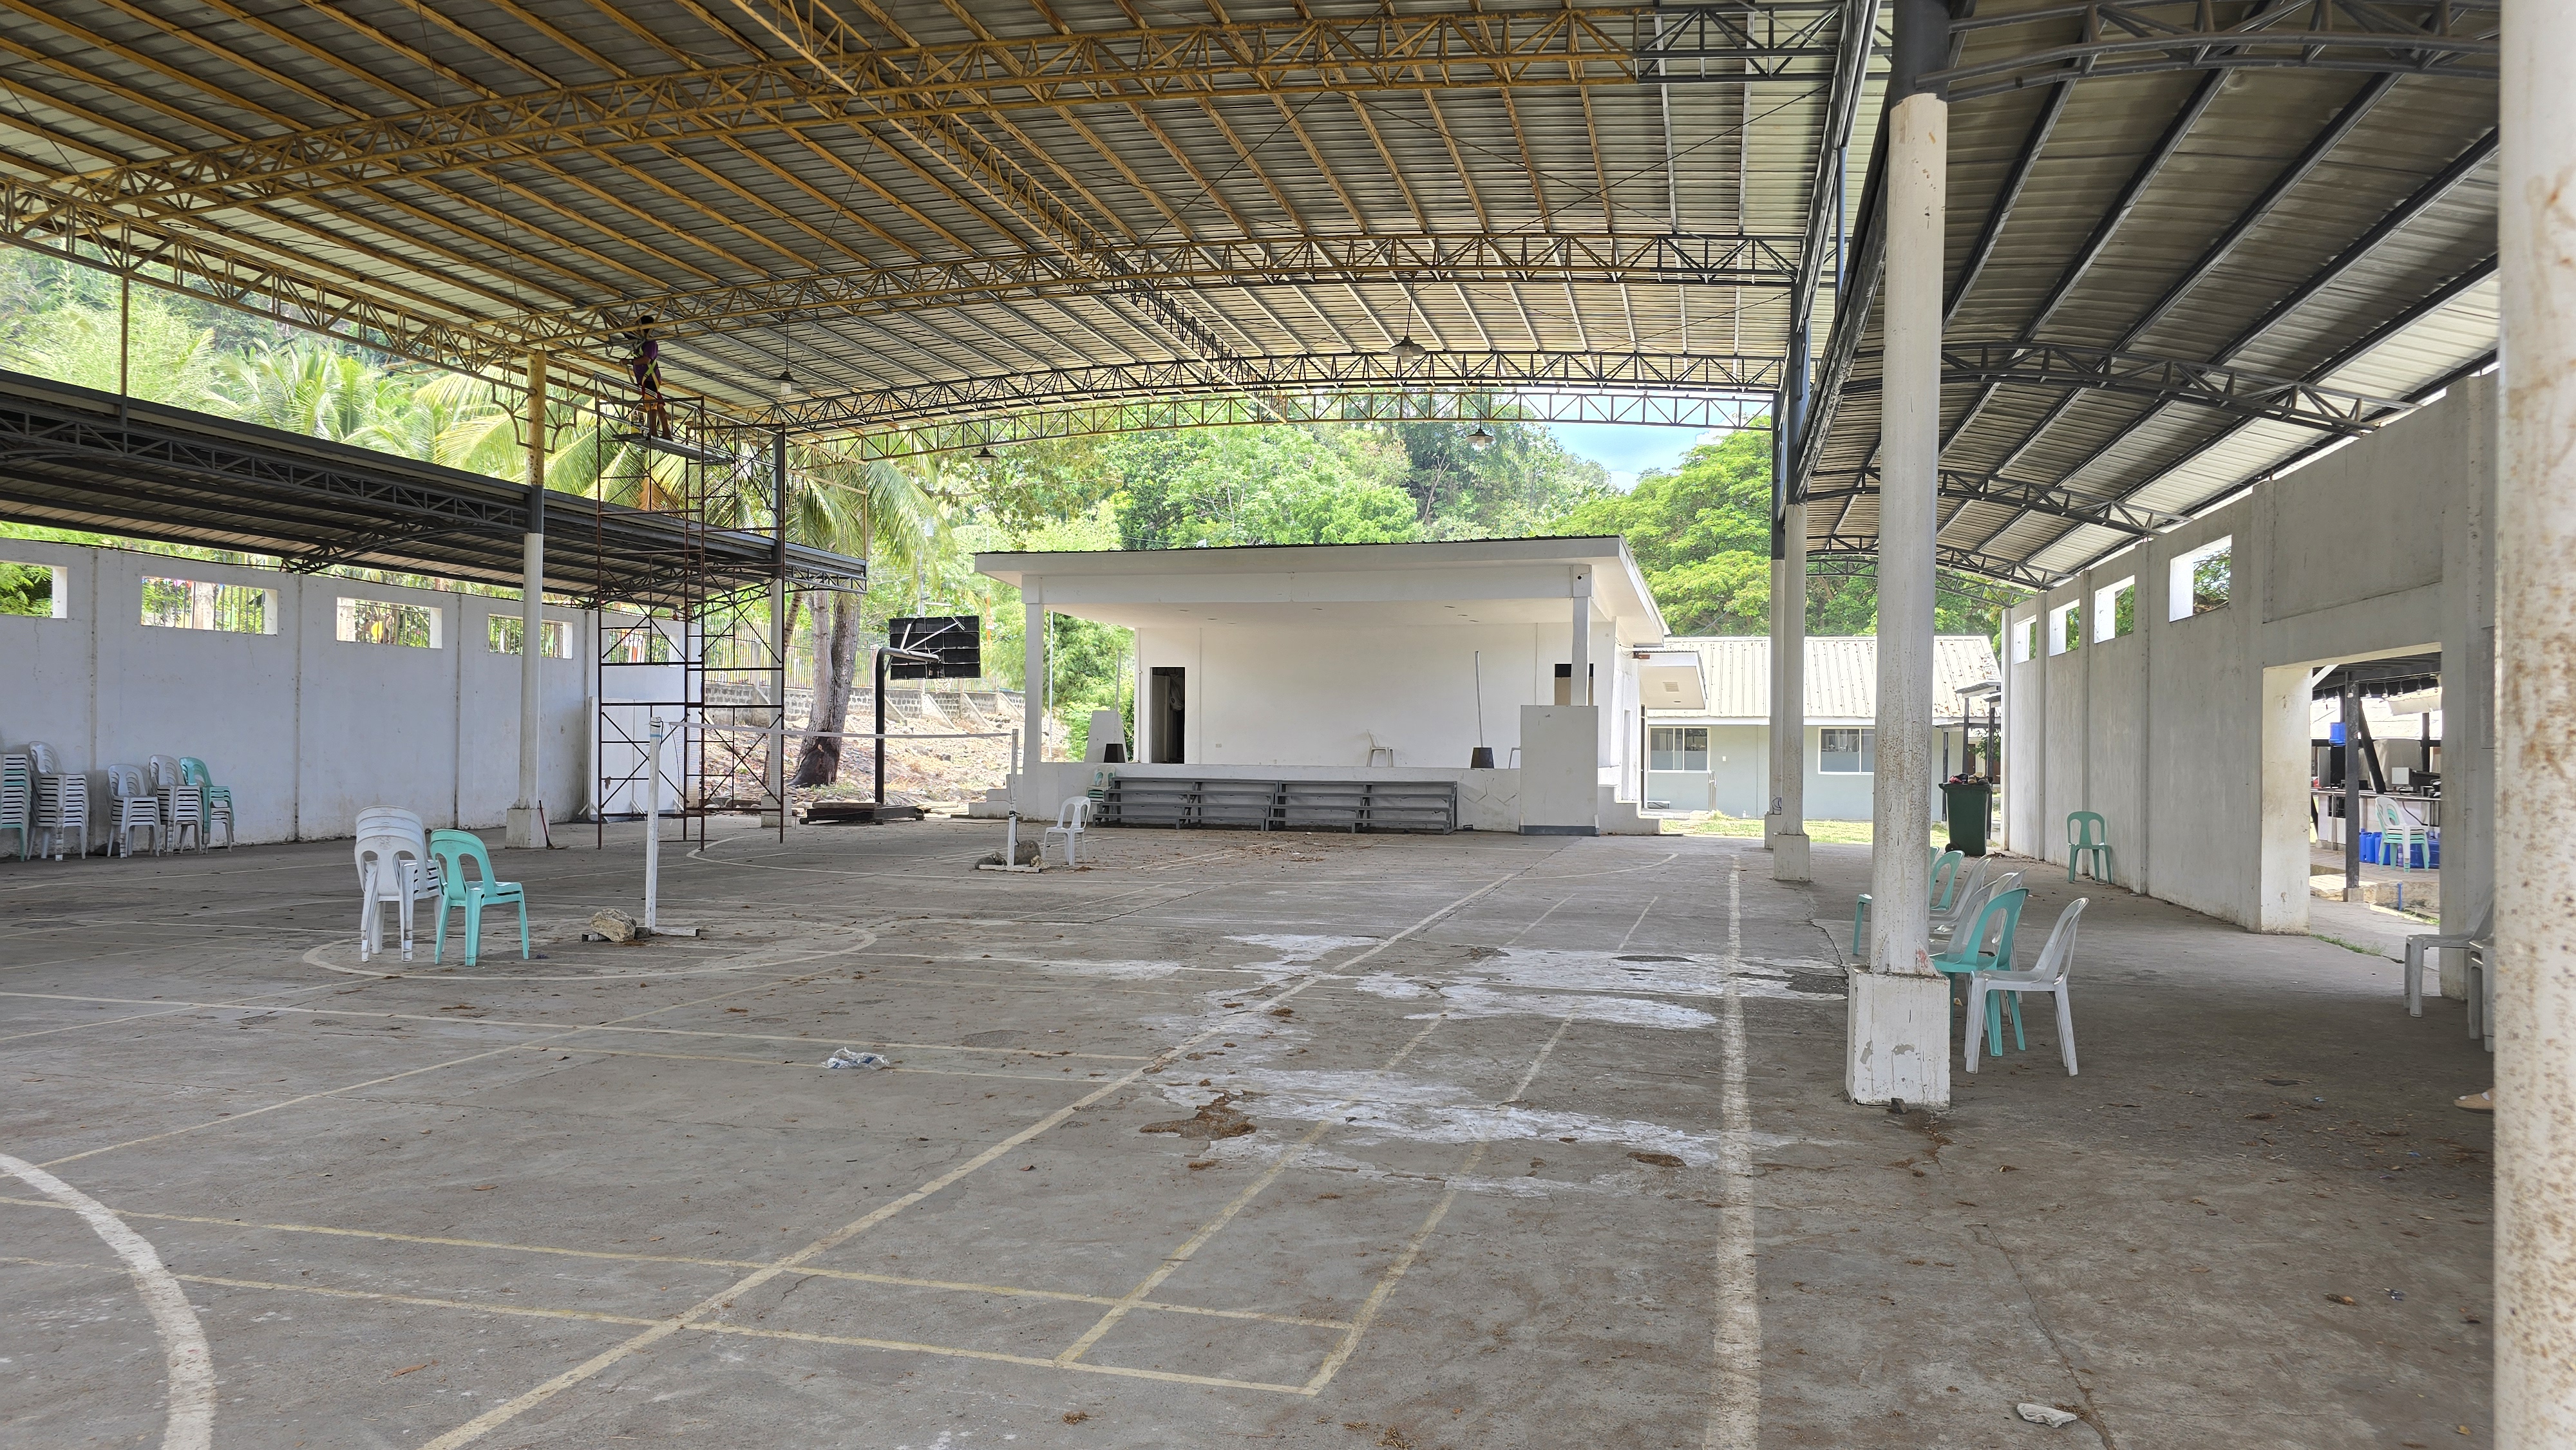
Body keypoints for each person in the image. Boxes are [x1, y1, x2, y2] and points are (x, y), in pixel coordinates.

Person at [626, 314, 669, 439]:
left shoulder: (650, 343)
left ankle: (654, 432)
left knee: (651, 404)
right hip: (649, 379)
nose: (635, 328)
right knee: (658, 404)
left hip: (650, 378)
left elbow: (646, 360)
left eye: (637, 325)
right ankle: (666, 433)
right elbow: (620, 329)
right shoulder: (639, 340)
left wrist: (629, 362)